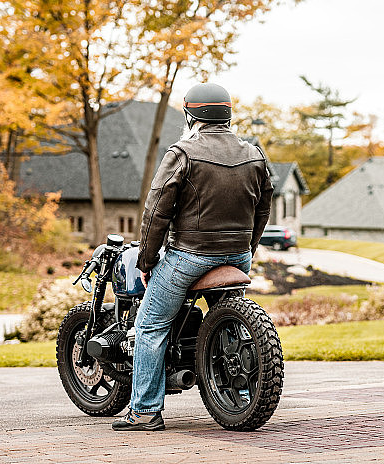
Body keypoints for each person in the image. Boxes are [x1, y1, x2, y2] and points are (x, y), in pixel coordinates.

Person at [112, 82, 273, 431]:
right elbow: (263, 210)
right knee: (224, 317)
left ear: (190, 114)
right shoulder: (255, 155)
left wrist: (147, 261)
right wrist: (247, 250)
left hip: (191, 256)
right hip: (237, 257)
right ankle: (241, 394)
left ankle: (144, 411)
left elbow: (156, 212)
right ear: (227, 114)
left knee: (151, 324)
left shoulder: (183, 152)